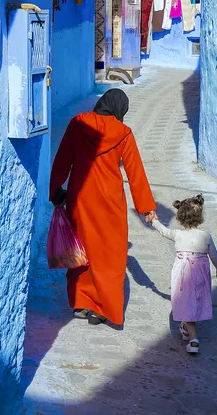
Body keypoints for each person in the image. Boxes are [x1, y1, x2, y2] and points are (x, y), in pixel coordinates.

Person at [50, 89, 156, 327]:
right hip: (110, 203)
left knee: (80, 249)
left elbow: (63, 158)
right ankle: (103, 308)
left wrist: (56, 189)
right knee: (110, 256)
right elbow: (135, 171)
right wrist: (146, 206)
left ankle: (81, 301)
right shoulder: (123, 133)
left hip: (81, 198)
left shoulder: (78, 124)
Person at [145, 195, 217, 355]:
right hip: (200, 274)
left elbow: (164, 231)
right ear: (200, 216)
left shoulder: (178, 234)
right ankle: (186, 328)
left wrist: (154, 220)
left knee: (185, 302)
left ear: (180, 217)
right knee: (194, 301)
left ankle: (193, 340)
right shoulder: (206, 236)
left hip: (183, 274)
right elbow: (215, 256)